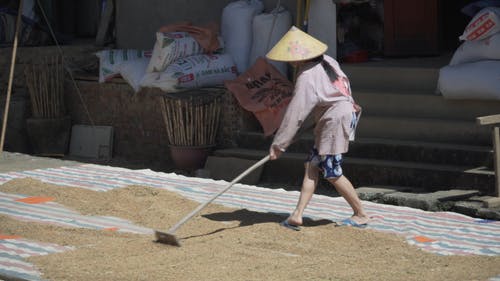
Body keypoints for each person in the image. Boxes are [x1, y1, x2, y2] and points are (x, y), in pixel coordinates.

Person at [266, 26, 369, 230]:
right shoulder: (329, 60)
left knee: (332, 171)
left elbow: (295, 114)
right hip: (334, 116)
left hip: (335, 120)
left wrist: (279, 144)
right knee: (312, 165)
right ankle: (297, 214)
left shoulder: (306, 76)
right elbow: (341, 87)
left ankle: (361, 214)